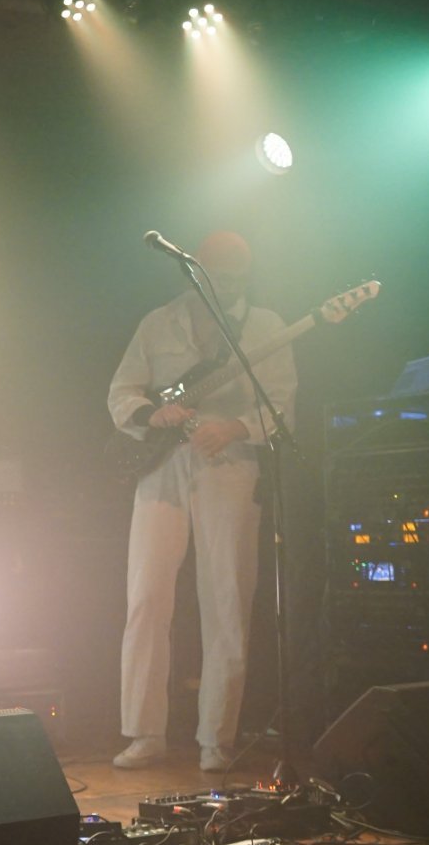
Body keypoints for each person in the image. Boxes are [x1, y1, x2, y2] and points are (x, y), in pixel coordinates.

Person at [106, 231, 296, 772]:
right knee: (146, 596)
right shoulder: (159, 323)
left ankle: (217, 737)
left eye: (237, 274)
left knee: (227, 597)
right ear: (196, 271)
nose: (228, 283)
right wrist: (153, 414)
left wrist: (235, 427)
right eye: (218, 273)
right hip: (163, 464)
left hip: (230, 465)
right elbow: (122, 392)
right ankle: (145, 732)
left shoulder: (266, 326)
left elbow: (283, 404)